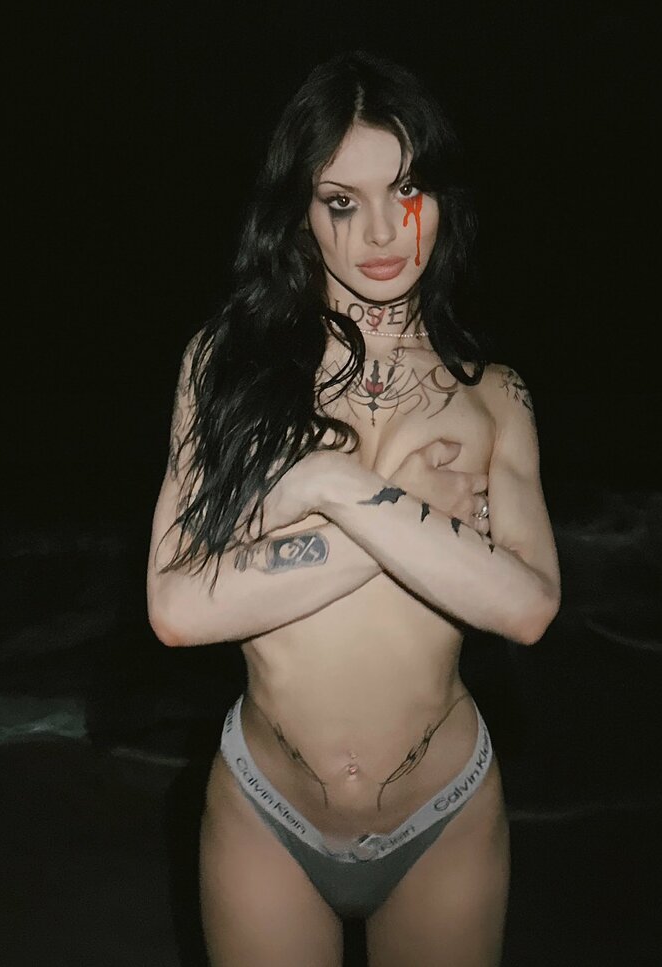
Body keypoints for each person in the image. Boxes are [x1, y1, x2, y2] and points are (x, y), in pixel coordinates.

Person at [146, 51, 560, 967]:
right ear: (300, 212)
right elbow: (175, 608)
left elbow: (528, 605)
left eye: (406, 190)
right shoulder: (226, 366)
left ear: (440, 199)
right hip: (266, 810)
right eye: (342, 201)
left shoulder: (493, 394)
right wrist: (406, 513)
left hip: (444, 814)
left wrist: (325, 489)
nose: (382, 231)